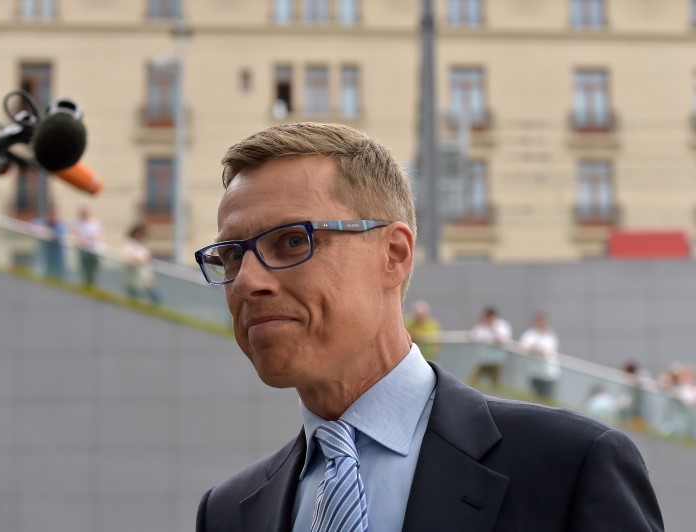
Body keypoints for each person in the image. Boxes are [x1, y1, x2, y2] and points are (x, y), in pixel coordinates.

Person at [194, 123, 662, 531]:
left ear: (394, 255)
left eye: (293, 241)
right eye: (231, 255)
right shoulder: (228, 512)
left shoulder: (570, 467)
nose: (248, 281)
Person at [467, 306, 512, 389]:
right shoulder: (481, 326)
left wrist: (492, 329)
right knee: (472, 382)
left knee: (496, 385)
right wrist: (476, 324)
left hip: (497, 361)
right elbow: (470, 337)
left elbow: (503, 341)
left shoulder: (502, 325)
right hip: (483, 360)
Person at [519, 312, 560, 399]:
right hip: (535, 372)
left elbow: (552, 352)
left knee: (547, 400)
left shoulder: (551, 335)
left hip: (550, 374)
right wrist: (536, 350)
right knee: (535, 399)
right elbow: (524, 347)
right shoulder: (530, 334)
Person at [121, 223, 160, 303]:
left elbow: (148, 262)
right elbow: (126, 260)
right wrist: (138, 260)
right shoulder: (129, 245)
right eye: (140, 233)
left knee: (156, 298)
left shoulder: (142, 247)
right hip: (133, 280)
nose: (142, 236)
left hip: (145, 279)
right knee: (134, 302)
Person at [33, 206, 67, 281]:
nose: (54, 217)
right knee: (47, 275)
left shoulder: (61, 225)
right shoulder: (45, 222)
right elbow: (32, 224)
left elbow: (58, 236)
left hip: (58, 257)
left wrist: (47, 233)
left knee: (58, 276)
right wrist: (41, 230)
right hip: (46, 256)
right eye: (52, 215)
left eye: (55, 215)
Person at [73, 203, 102, 287]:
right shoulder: (78, 223)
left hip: (94, 252)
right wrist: (86, 240)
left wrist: (87, 240)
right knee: (85, 272)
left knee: (93, 273)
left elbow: (97, 236)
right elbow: (78, 238)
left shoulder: (95, 223)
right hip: (84, 253)